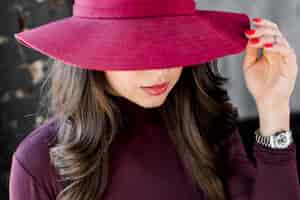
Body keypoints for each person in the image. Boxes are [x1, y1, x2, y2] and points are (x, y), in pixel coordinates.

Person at [9, 0, 299, 200]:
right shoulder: (37, 164)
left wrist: (273, 105)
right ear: (89, 51)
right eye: (140, 50)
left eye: (173, 47)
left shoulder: (208, 127)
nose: (161, 70)